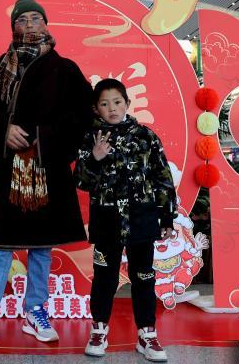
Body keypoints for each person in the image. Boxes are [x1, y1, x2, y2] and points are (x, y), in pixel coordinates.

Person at [0, 0, 92, 345]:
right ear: (13, 27)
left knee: (42, 246)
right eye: (22, 20)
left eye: (35, 18)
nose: (29, 24)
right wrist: (3, 130)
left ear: (46, 24)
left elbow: (83, 115)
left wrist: (42, 137)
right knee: (0, 245)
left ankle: (35, 311)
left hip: (46, 166)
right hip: (10, 169)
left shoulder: (65, 69)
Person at [74, 78, 177, 361]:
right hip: (106, 220)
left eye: (117, 102)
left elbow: (162, 177)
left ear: (127, 103)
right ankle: (99, 330)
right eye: (105, 104)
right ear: (96, 108)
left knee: (144, 277)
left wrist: (167, 217)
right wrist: (95, 158)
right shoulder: (90, 138)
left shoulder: (146, 136)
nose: (112, 108)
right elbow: (80, 181)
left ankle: (147, 334)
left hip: (142, 219)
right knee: (104, 278)